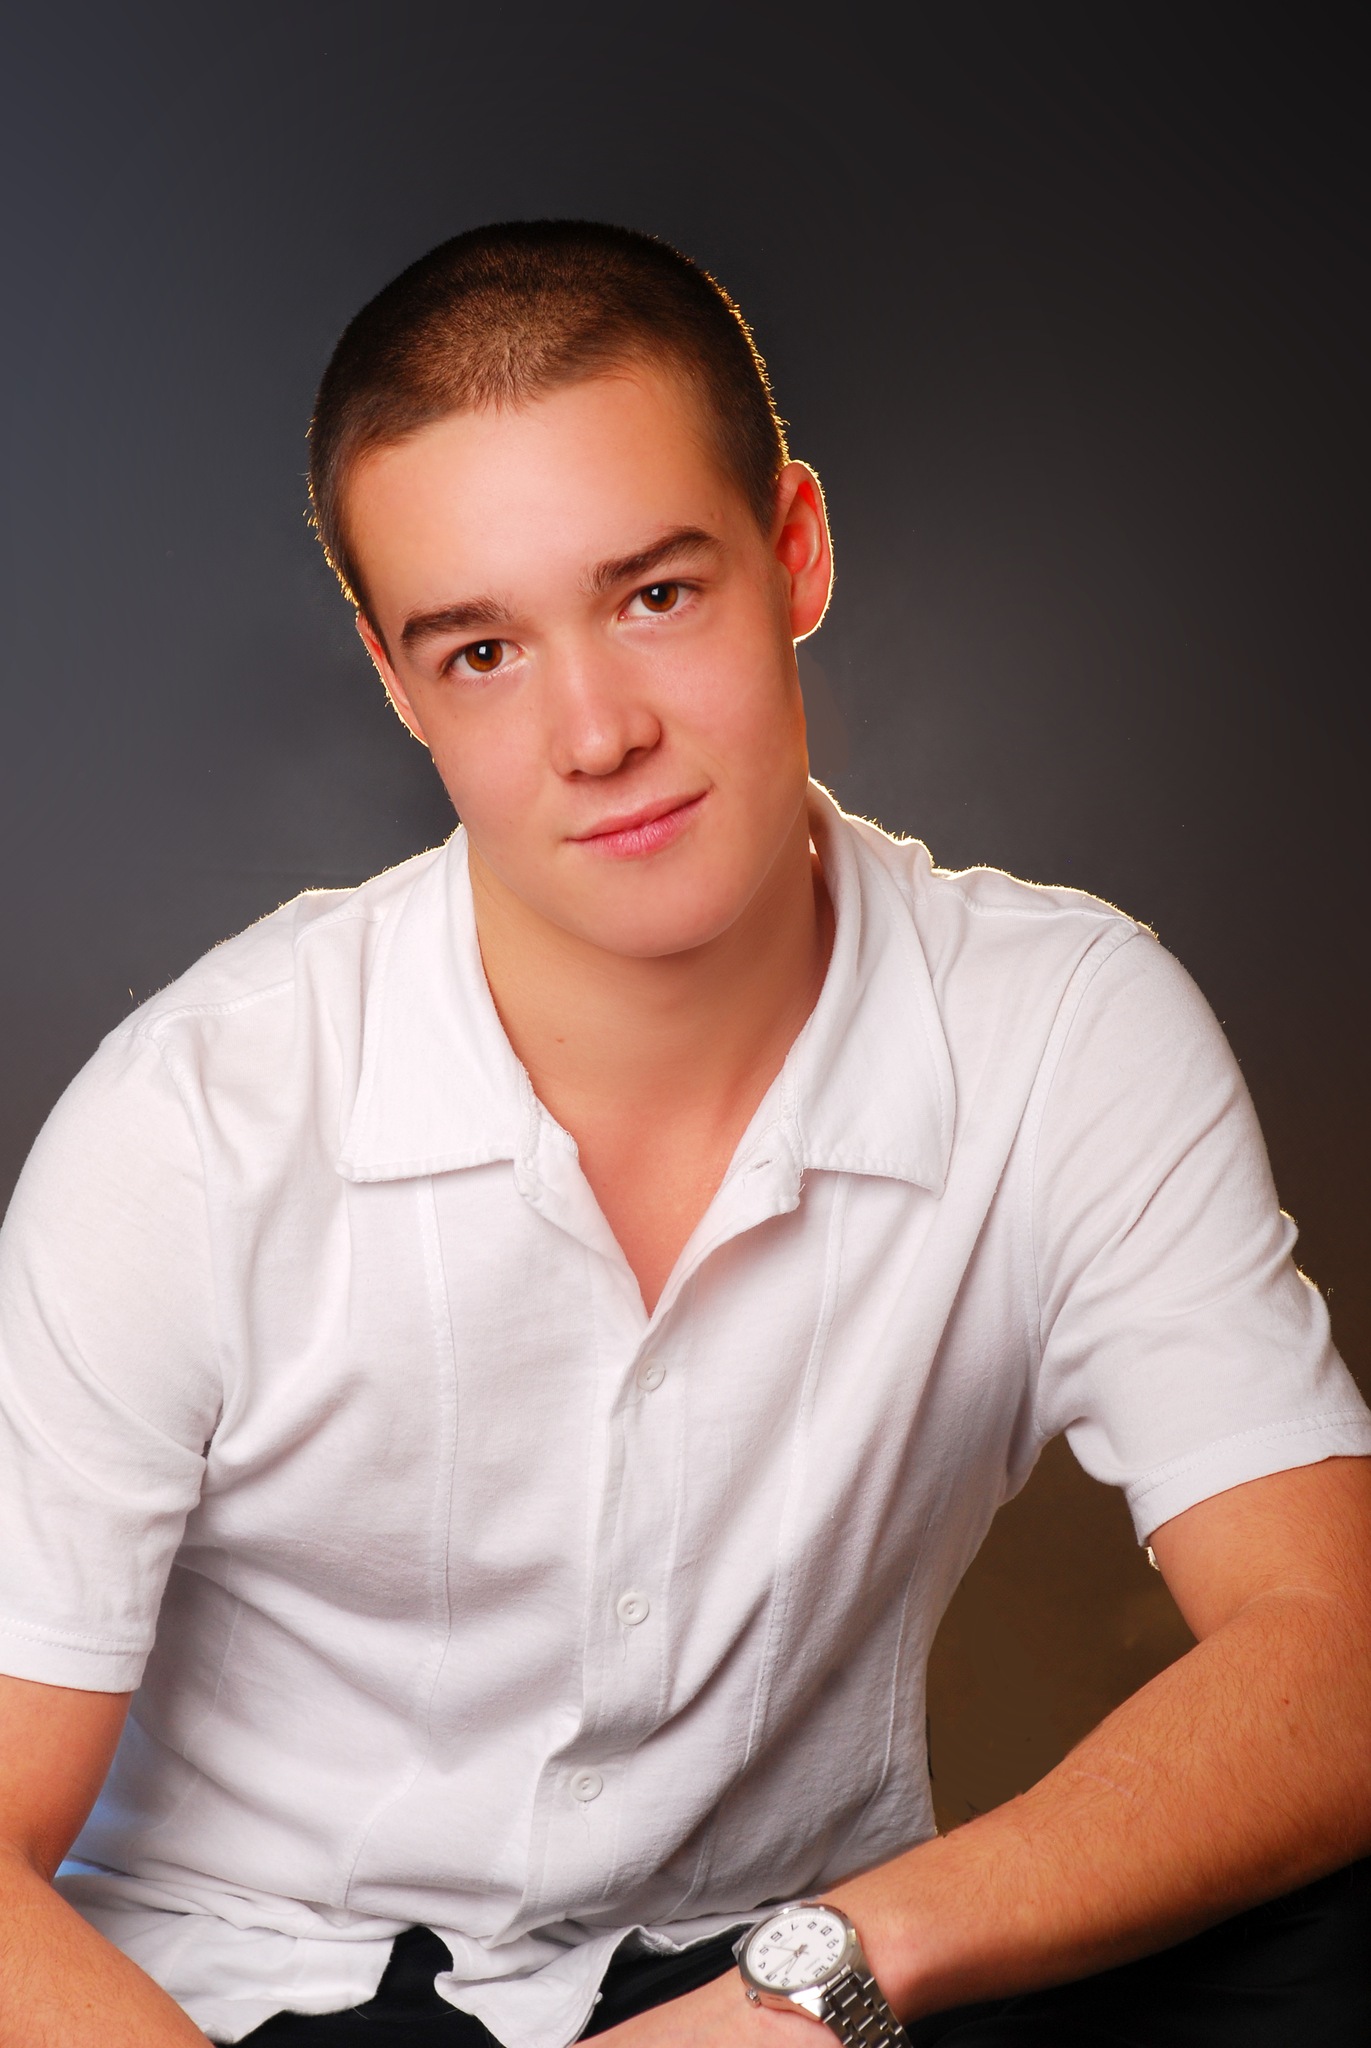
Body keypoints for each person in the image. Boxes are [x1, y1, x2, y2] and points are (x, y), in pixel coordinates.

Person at [0, 220, 1368, 2048]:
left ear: (795, 549)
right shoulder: (192, 1119)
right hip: (270, 1989)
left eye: (654, 594)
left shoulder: (1062, 1028)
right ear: (398, 685)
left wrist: (827, 1974)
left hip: (777, 1973)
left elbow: (1334, 1649)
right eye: (484, 650)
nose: (597, 734)